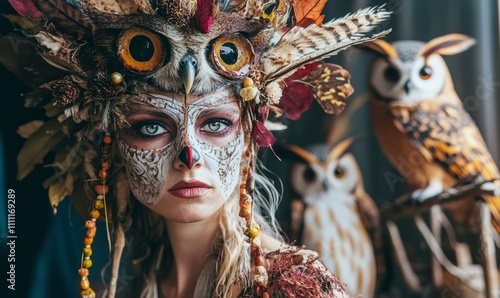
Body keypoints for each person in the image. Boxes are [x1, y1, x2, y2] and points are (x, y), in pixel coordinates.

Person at [7, 0, 390, 297]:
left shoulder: (290, 287)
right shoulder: (133, 288)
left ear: (246, 144)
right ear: (114, 147)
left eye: (216, 124)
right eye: (151, 127)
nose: (188, 156)